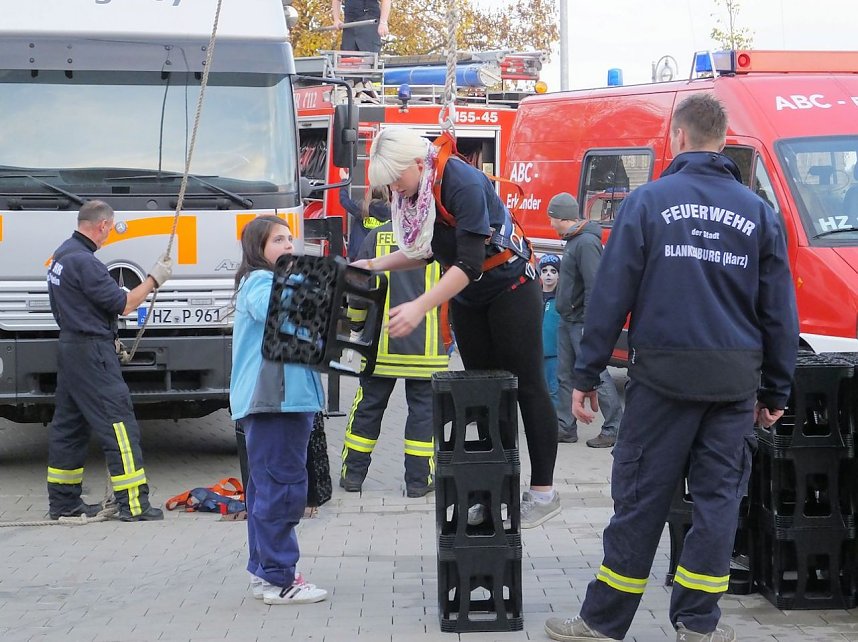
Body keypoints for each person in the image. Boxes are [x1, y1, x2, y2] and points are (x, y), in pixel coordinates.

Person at [544, 94, 798, 642]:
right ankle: (699, 625)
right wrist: (777, 390)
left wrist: (586, 375)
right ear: (723, 141)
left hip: (661, 382)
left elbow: (610, 295)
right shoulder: (759, 213)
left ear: (678, 137)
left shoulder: (647, 203)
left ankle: (602, 622)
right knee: (717, 505)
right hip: (733, 386)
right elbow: (779, 310)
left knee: (639, 500)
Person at [355, 127, 560, 529]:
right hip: (469, 295)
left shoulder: (460, 182)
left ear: (418, 163)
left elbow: (468, 262)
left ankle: (543, 493)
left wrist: (420, 306)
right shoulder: (414, 191)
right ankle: (490, 493)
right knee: (483, 393)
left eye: (396, 179)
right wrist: (374, 265)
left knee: (528, 386)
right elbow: (425, 252)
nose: (394, 190)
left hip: (511, 286)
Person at [46, 200, 171, 522]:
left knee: (69, 426)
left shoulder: (62, 255)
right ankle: (134, 504)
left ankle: (64, 502)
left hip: (71, 348)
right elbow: (125, 304)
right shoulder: (85, 262)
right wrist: (154, 280)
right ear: (102, 225)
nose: (109, 235)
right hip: (92, 352)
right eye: (111, 229)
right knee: (120, 426)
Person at [230, 215, 328, 606]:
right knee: (282, 491)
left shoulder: (273, 281)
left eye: (289, 239)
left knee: (266, 491)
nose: (288, 245)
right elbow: (271, 306)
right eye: (277, 240)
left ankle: (265, 572)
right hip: (277, 403)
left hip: (282, 402)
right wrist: (317, 287)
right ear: (258, 249)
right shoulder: (261, 281)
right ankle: (280, 579)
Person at [341, 220, 449, 497]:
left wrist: (357, 327)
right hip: (427, 348)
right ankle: (418, 481)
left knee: (367, 409)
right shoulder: (438, 236)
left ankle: (352, 475)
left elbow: (358, 289)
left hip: (379, 346)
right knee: (423, 415)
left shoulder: (376, 237)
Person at [549, 192, 623, 448]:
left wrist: (591, 325)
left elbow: (594, 286)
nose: (550, 224)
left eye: (551, 218)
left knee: (596, 373)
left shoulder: (585, 243)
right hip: (568, 319)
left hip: (580, 322)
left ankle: (614, 428)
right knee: (564, 375)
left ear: (560, 218)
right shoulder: (574, 241)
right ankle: (565, 426)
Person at [338, 168, 391, 261]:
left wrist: (344, 180)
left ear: (370, 192)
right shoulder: (392, 211)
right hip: (381, 253)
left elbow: (344, 200)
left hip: (359, 253)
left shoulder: (362, 208)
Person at [538, 254, 561, 407]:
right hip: (536, 353)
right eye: (544, 271)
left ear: (559, 275)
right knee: (539, 390)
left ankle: (555, 419)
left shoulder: (561, 299)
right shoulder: (534, 297)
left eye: (553, 271)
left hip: (555, 354)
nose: (548, 274)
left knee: (554, 390)